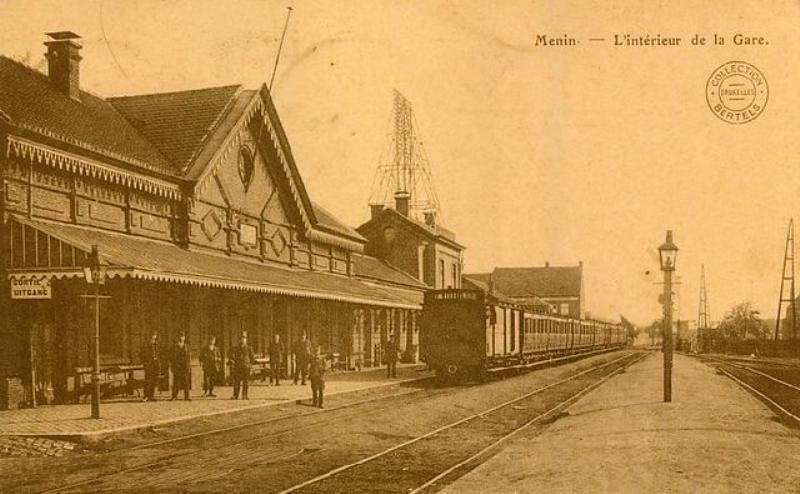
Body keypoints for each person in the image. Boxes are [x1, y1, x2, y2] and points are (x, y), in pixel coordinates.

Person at [229, 332, 255, 400]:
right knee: (236, 382)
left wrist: (250, 365)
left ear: (246, 339)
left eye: (244, 338)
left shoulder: (249, 348)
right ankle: (235, 395)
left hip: (246, 367)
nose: (242, 339)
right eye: (241, 338)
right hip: (238, 367)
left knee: (245, 382)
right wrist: (232, 360)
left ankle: (244, 395)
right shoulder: (236, 348)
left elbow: (252, 358)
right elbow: (232, 356)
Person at [170, 333, 191, 401]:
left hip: (185, 366)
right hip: (177, 366)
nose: (181, 338)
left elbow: (189, 357)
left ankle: (187, 396)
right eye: (180, 336)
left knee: (186, 382)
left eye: (183, 337)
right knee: (176, 382)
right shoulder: (174, 346)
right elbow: (171, 357)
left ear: (184, 338)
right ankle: (174, 396)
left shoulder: (187, 346)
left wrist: (189, 366)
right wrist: (172, 366)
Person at [141, 331, 161, 402]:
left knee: (154, 381)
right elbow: (143, 355)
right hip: (149, 365)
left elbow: (158, 355)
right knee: (148, 381)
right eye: (153, 335)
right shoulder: (146, 344)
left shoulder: (157, 344)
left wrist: (158, 365)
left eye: (155, 335)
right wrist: (146, 363)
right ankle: (146, 396)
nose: (154, 336)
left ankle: (151, 396)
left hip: (155, 364)